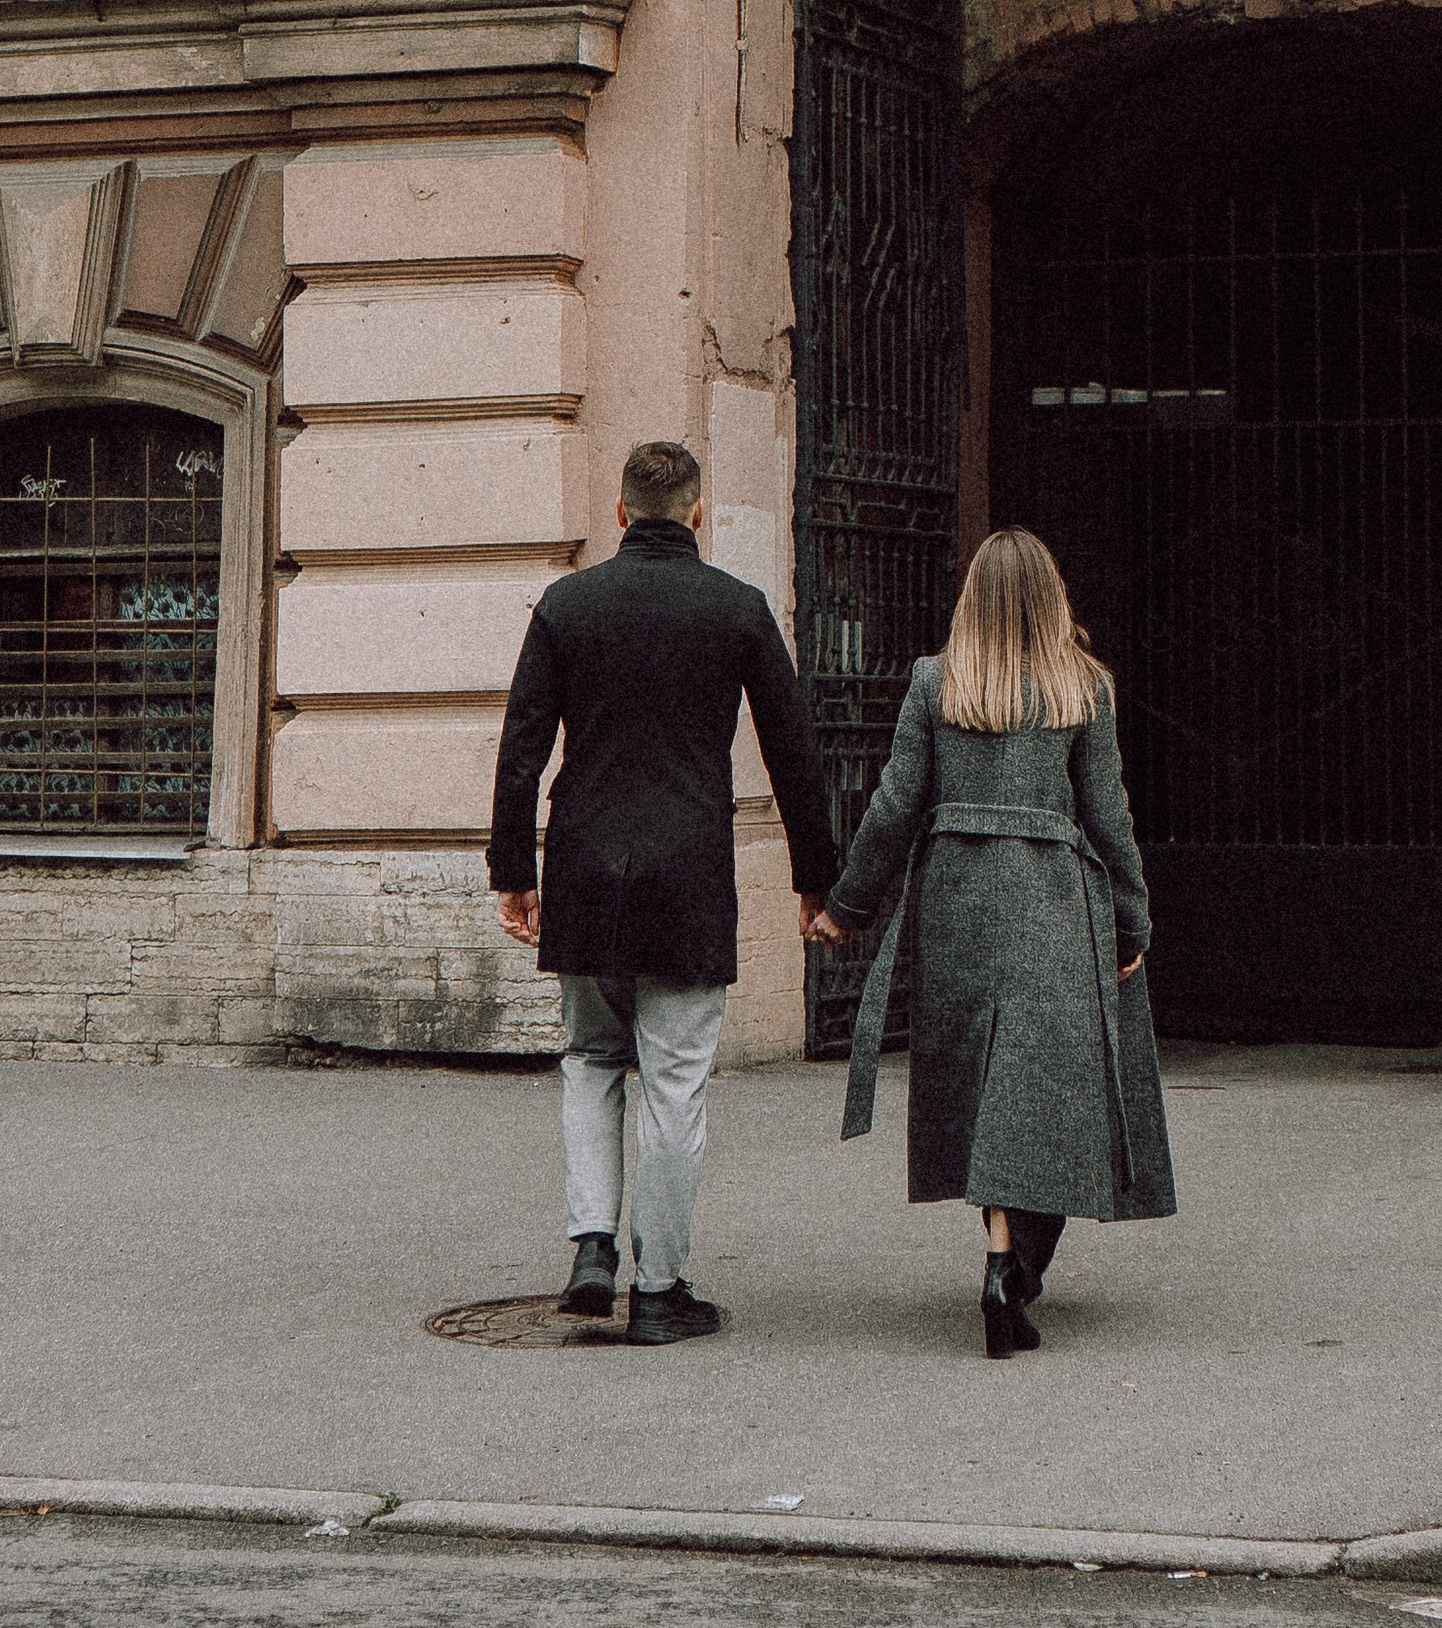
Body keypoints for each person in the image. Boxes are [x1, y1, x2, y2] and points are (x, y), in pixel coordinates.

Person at [489, 436, 837, 1345]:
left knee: (591, 1060)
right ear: (697, 510)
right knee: (676, 1083)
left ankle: (593, 1248)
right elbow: (795, 754)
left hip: (585, 866)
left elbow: (521, 747)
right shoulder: (737, 610)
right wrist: (816, 880)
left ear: (618, 513)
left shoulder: (567, 605)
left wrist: (513, 876)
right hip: (687, 871)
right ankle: (662, 1287)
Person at [804, 525, 1175, 1357]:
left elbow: (894, 804)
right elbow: (1108, 817)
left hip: (958, 903)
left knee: (981, 1084)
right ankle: (1012, 1269)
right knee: (1046, 1089)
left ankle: (1005, 1259)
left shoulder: (935, 683)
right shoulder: (1083, 688)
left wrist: (847, 907)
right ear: (1053, 600)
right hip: (1054, 905)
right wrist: (1132, 920)